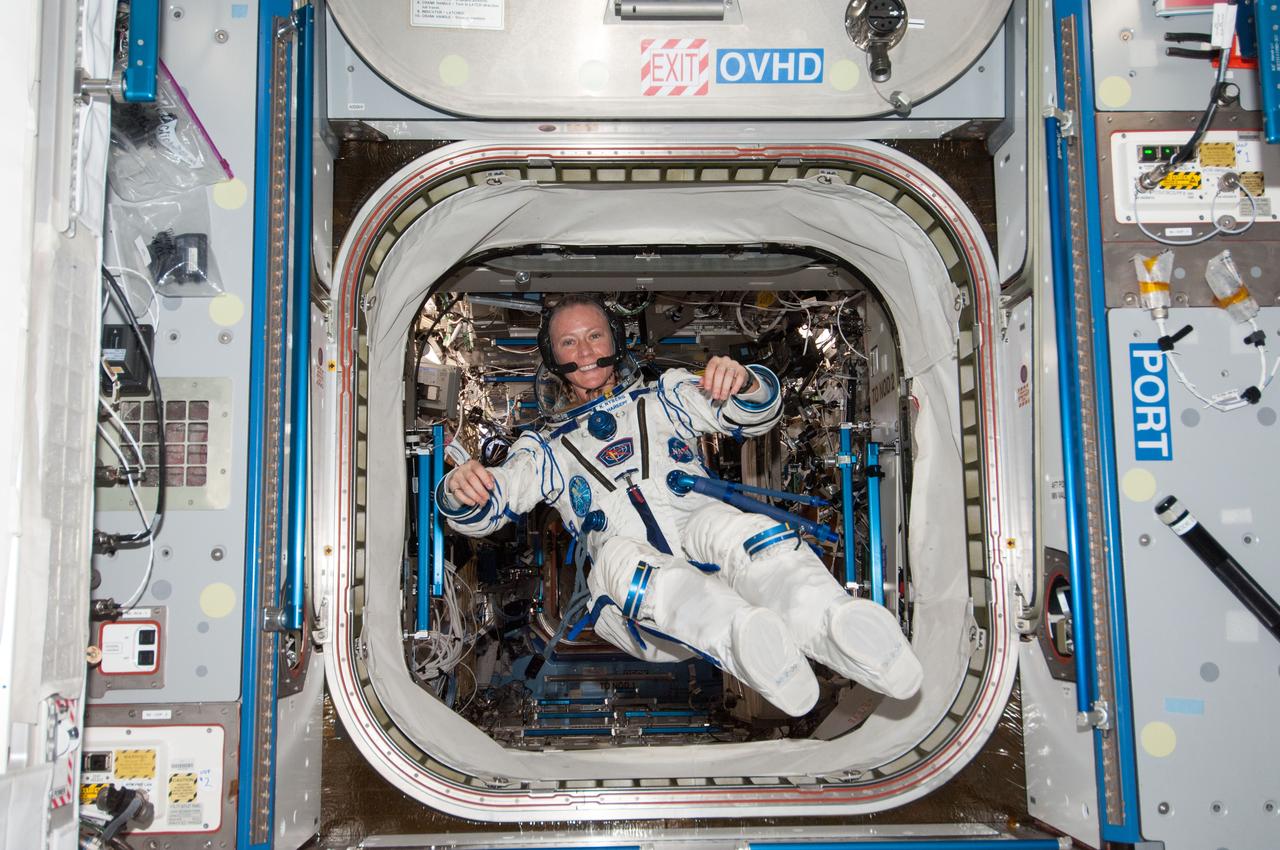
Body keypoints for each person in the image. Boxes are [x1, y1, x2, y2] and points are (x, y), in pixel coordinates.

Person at [439, 294, 922, 716]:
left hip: (702, 540)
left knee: (745, 533)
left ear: (616, 341)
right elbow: (494, 499)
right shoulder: (544, 449)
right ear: (552, 355)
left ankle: (836, 625)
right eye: (569, 342)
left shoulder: (664, 395)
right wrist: (463, 488)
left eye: (594, 336)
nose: (584, 351)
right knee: (620, 562)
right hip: (643, 614)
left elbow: (749, 413)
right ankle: (741, 637)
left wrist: (745, 383)